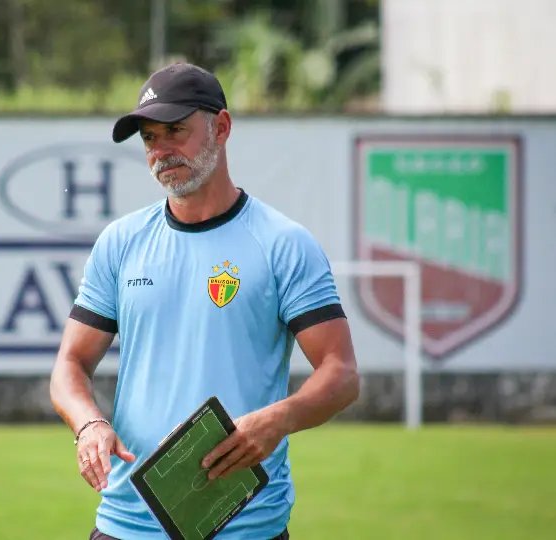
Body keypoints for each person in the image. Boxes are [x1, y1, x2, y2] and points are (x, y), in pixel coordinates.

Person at [50, 62, 360, 540]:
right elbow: (70, 363)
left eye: (176, 130)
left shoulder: (283, 244)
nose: (161, 150)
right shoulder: (121, 242)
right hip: (126, 525)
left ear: (222, 127)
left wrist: (276, 420)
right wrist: (89, 423)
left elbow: (341, 374)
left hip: (246, 528)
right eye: (150, 138)